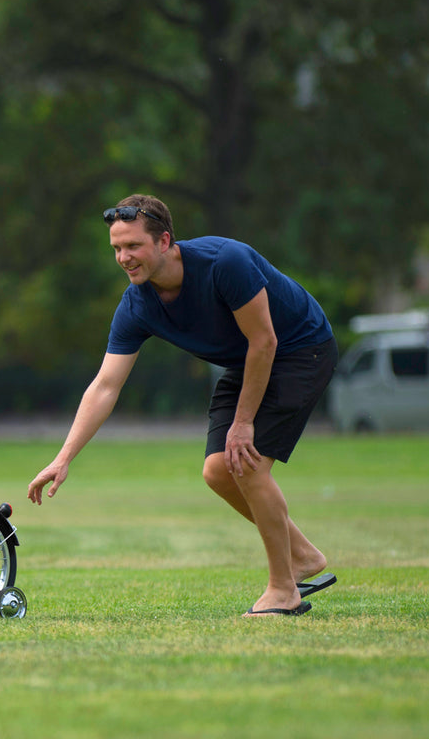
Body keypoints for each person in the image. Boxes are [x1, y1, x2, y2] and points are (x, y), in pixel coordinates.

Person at [26, 194, 339, 617]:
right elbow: (105, 386)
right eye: (117, 248)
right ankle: (302, 556)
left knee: (245, 463)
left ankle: (284, 589)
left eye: (133, 246)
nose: (123, 257)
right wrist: (63, 458)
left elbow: (265, 341)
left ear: (163, 241)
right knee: (217, 471)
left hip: (300, 349)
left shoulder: (224, 263)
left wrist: (244, 422)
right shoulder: (137, 304)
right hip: (245, 360)